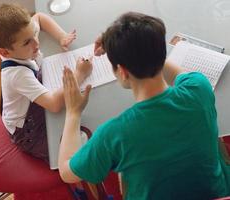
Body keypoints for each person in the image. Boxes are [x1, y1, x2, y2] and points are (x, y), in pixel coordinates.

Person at [58, 12, 230, 199]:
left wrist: (73, 112)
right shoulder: (199, 88)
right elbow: (167, 67)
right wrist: (139, 49)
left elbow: (67, 172)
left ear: (122, 72)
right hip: (217, 192)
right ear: (162, 53)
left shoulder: (114, 135)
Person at [0, 3, 92, 163]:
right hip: (29, 132)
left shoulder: (19, 37)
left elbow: (39, 18)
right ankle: (76, 181)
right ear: (4, 52)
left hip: (35, 104)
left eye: (34, 34)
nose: (36, 43)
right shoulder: (17, 75)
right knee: (74, 153)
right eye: (27, 43)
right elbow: (54, 105)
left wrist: (61, 36)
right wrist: (80, 74)